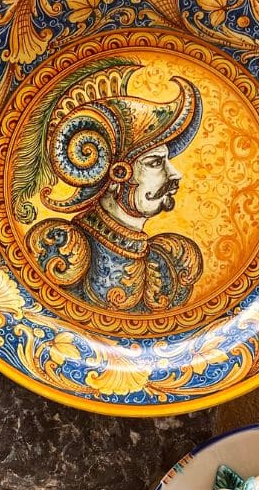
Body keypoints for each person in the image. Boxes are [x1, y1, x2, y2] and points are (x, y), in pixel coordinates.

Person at [24, 63, 204, 313]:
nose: (175, 173)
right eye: (155, 162)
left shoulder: (169, 262)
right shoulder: (61, 248)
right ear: (116, 175)